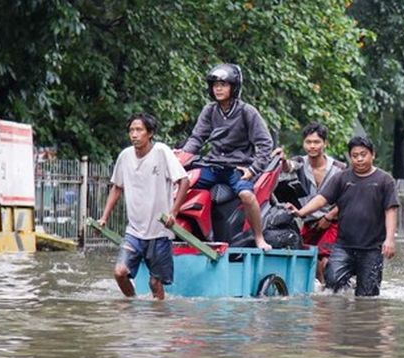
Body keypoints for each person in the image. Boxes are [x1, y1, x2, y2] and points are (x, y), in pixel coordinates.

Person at [176, 63, 273, 250]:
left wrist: (253, 169)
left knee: (246, 196)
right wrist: (181, 158)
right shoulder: (209, 110)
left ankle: (259, 237)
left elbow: (265, 143)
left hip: (236, 168)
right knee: (181, 183)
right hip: (212, 166)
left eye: (224, 84)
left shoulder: (247, 111)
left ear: (234, 87)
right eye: (215, 85)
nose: (218, 88)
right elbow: (197, 138)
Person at [286, 136, 399, 296]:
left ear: (372, 155)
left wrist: (390, 240)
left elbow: (391, 210)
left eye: (363, 154)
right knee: (332, 285)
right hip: (343, 246)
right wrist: (301, 212)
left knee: (367, 297)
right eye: (354, 155)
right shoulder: (341, 178)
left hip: (372, 248)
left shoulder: (385, 180)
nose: (359, 159)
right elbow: (321, 199)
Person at [98, 113, 189, 300]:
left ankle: (157, 320)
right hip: (134, 232)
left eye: (139, 130)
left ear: (150, 133)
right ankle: (132, 304)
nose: (134, 134)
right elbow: (117, 188)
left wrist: (174, 212)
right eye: (131, 130)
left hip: (160, 232)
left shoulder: (161, 152)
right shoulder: (125, 156)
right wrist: (104, 217)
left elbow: (184, 181)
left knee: (155, 284)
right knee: (119, 272)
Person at [277, 122, 346, 282]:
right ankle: (322, 296)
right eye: (308, 142)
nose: (312, 146)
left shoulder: (338, 168)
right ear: (303, 143)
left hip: (332, 222)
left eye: (317, 142)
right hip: (308, 222)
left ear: (325, 144)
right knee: (308, 262)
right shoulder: (300, 163)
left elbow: (346, 199)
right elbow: (288, 166)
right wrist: (283, 160)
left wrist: (329, 217)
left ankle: (325, 300)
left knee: (324, 260)